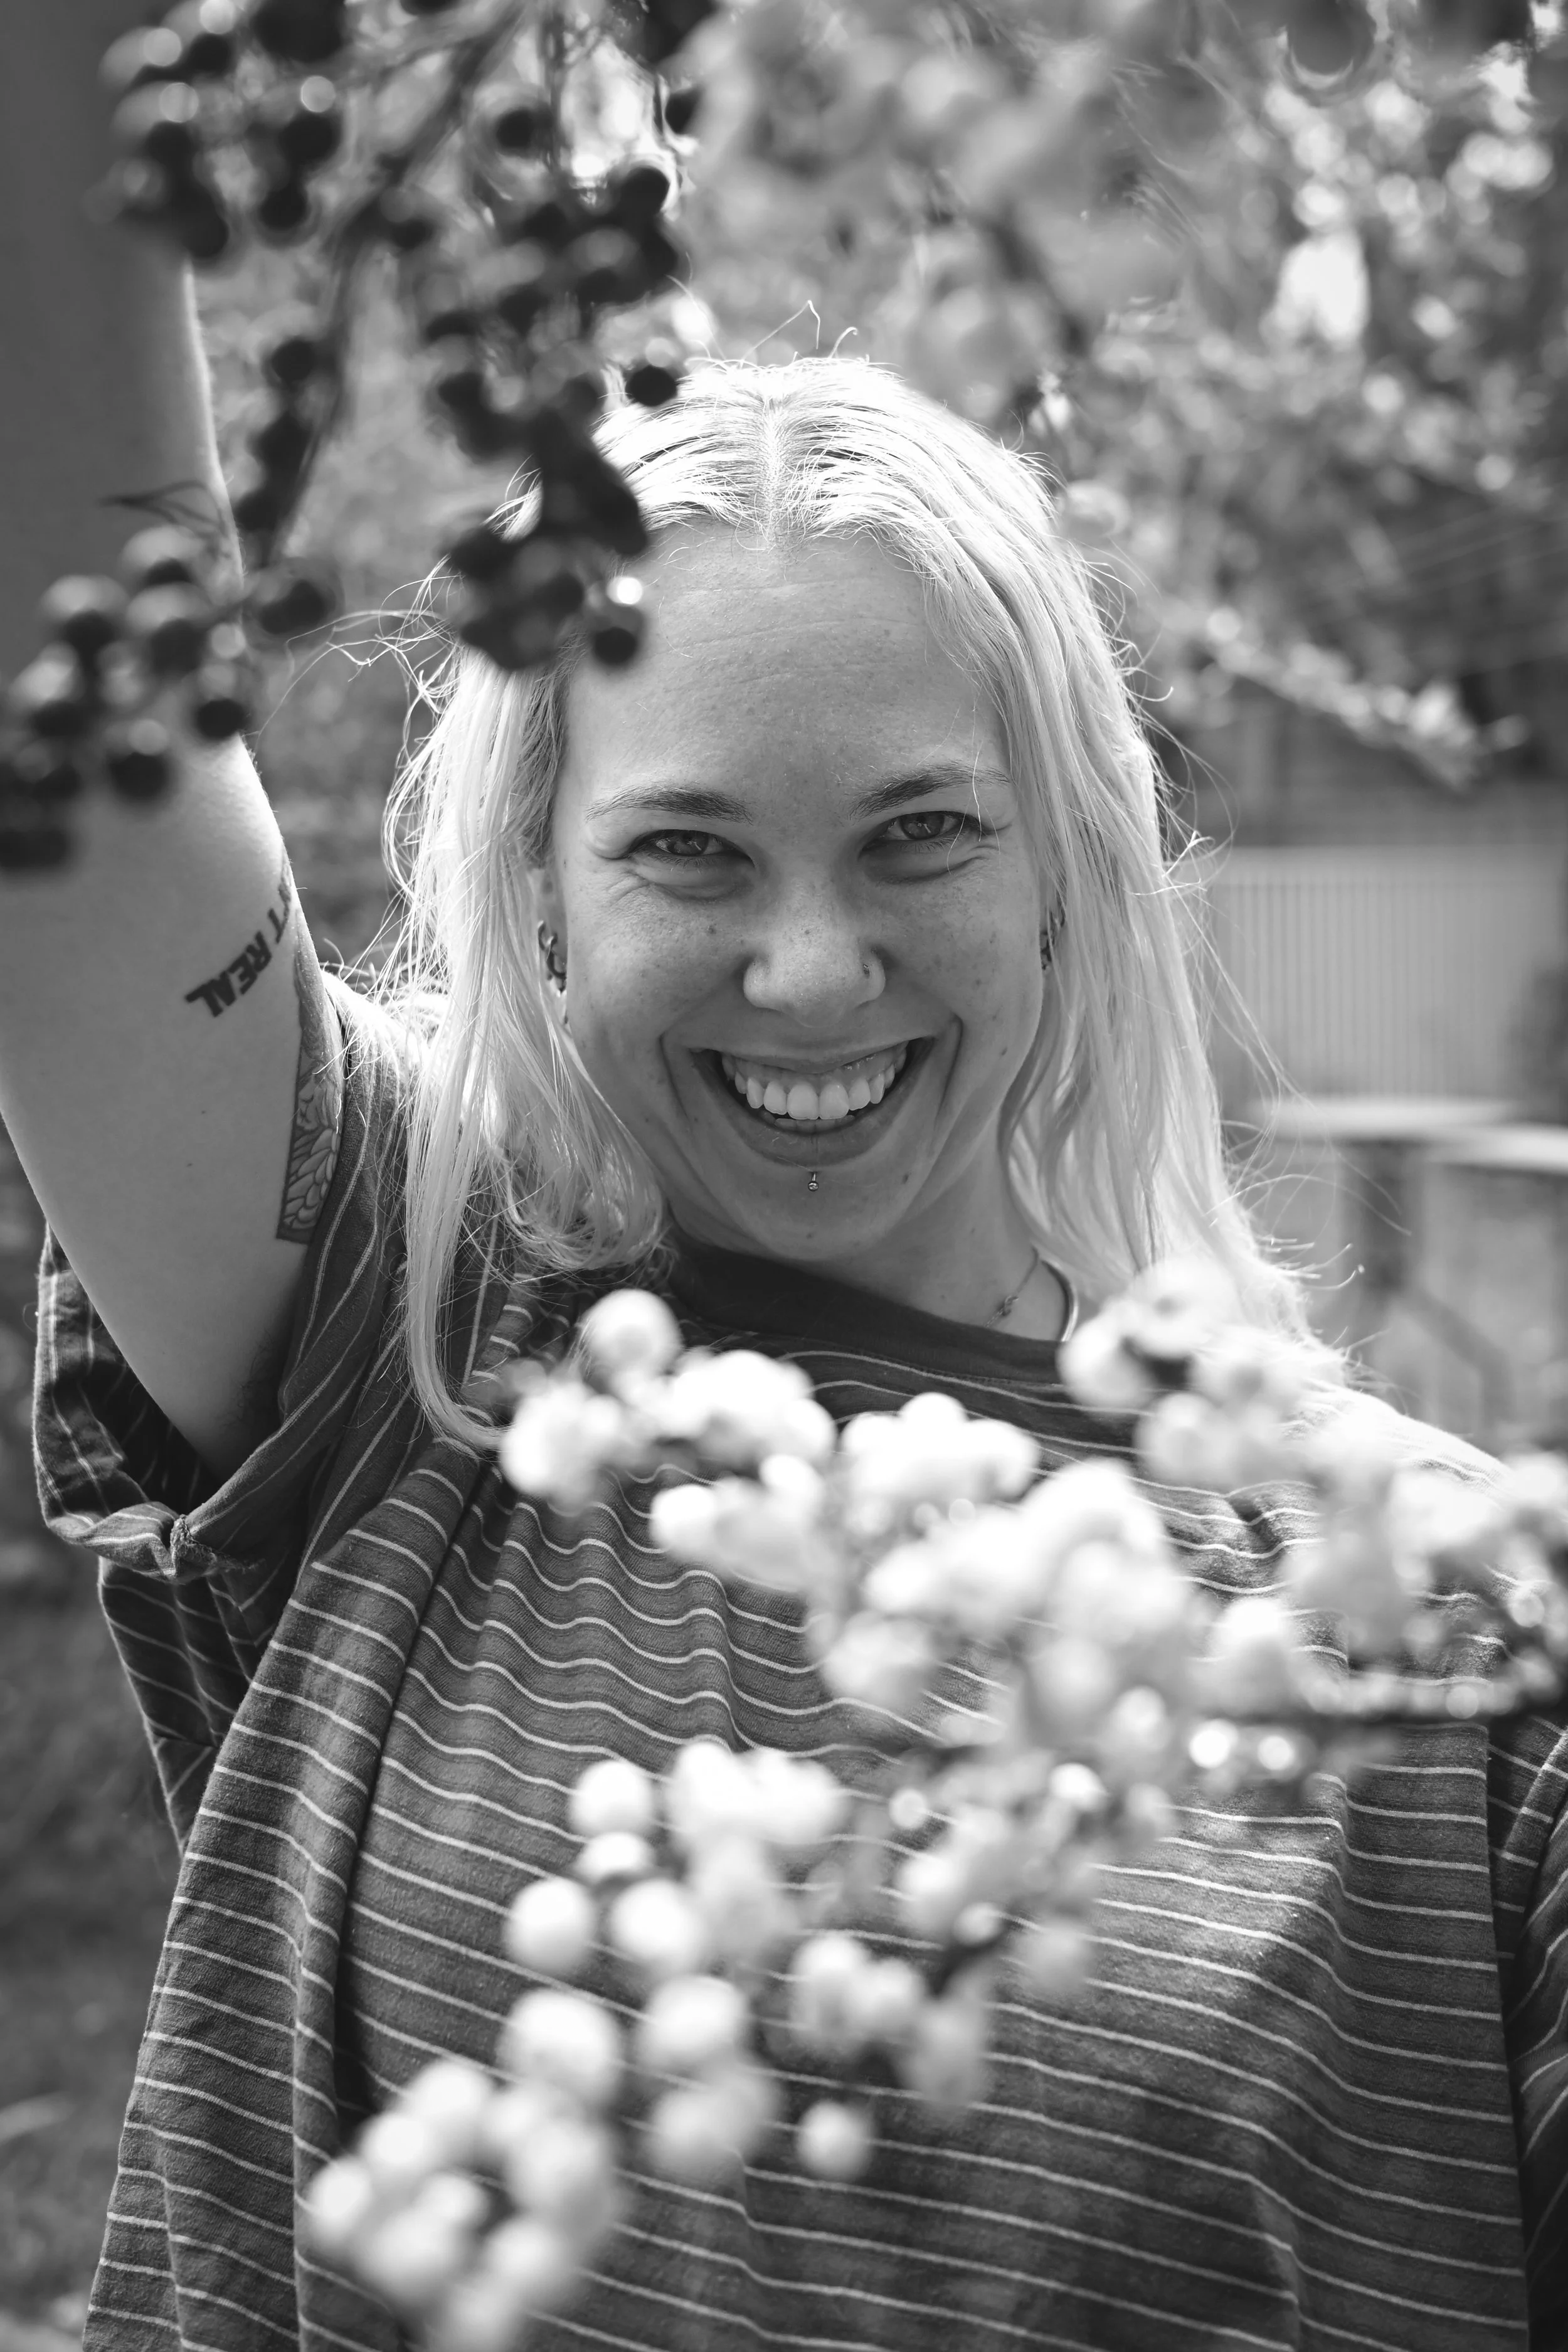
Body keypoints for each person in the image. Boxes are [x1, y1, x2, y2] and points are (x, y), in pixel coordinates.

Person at [2, 12, 1564, 2351]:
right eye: (687, 854)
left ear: (1074, 871)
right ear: (540, 900)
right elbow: (71, 650)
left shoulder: (1441, 1646)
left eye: (920, 835)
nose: (811, 969)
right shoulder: (409, 1346)